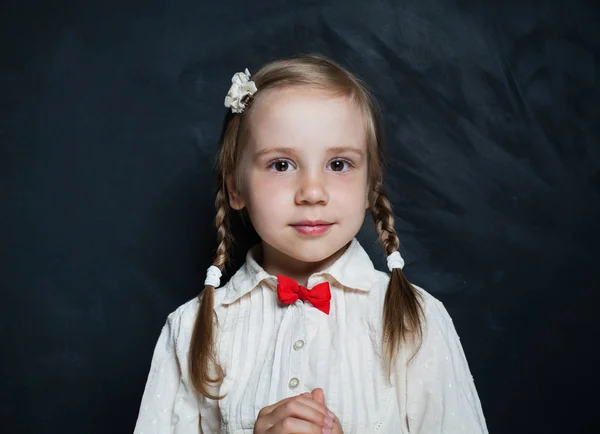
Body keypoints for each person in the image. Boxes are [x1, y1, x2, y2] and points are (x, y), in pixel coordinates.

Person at [133, 53, 488, 434]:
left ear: (370, 185)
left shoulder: (416, 321)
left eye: (338, 164)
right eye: (281, 165)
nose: (313, 192)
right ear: (236, 186)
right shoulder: (191, 329)